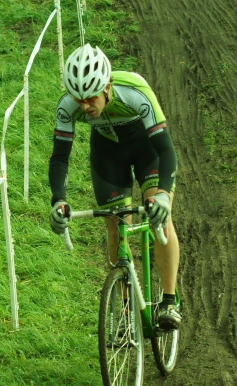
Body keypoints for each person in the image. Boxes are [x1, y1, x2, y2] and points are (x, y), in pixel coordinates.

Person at [47, 43, 181, 330]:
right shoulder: (66, 106)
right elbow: (60, 158)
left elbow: (166, 151)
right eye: (78, 98)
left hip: (148, 151)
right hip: (108, 154)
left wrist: (163, 196)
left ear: (107, 86)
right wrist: (58, 199)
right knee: (114, 223)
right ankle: (125, 310)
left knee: (160, 217)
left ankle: (169, 301)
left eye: (91, 97)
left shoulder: (135, 92)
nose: (84, 106)